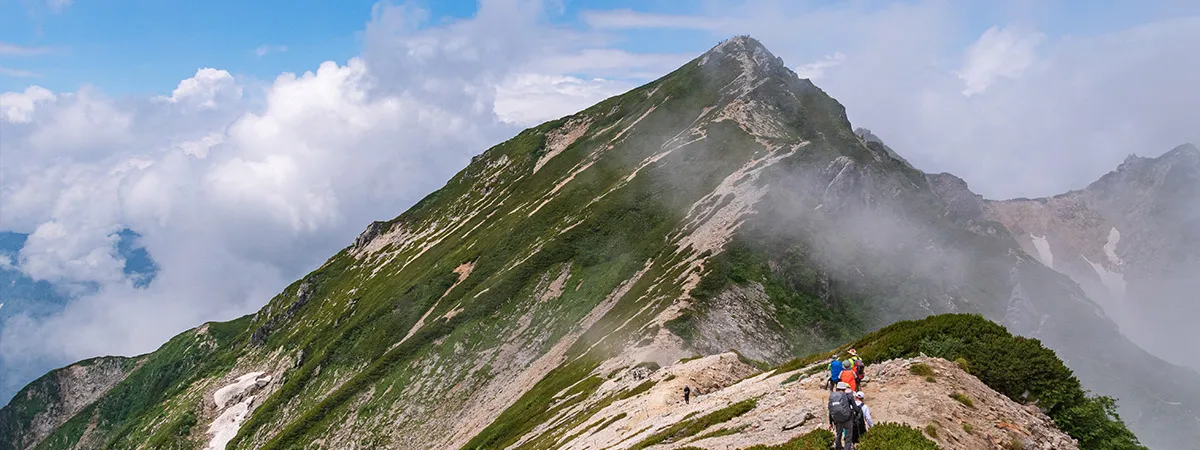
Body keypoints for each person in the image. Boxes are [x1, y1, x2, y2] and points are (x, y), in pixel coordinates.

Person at [828, 382, 857, 450]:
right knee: (848, 437)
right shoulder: (848, 395)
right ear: (844, 389)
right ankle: (847, 448)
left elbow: (831, 410)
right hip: (848, 419)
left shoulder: (832, 396)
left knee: (838, 435)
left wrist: (830, 422)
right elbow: (855, 408)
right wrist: (859, 412)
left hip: (837, 420)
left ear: (837, 388)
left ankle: (838, 448)